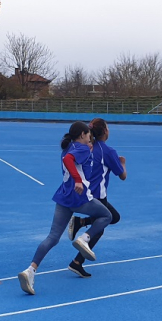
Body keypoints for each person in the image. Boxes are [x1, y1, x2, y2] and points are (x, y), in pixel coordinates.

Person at [18, 121, 112, 295]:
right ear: (83, 135)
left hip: (63, 197)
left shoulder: (68, 147)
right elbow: (71, 160)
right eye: (87, 134)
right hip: (79, 197)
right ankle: (85, 238)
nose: (90, 137)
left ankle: (30, 271)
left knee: (52, 237)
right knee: (107, 216)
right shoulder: (81, 149)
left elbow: (70, 158)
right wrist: (78, 179)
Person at [65, 118, 126, 278]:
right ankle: (76, 263)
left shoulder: (88, 147)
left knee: (113, 217)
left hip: (86, 192)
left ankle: (81, 222)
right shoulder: (108, 152)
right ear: (105, 131)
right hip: (98, 195)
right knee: (101, 226)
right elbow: (123, 176)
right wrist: (123, 163)